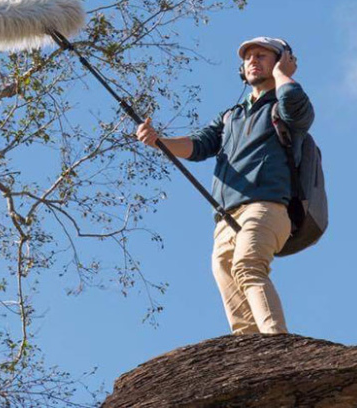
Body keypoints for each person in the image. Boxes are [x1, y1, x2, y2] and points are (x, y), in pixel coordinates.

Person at [135, 37, 314, 335]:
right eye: (248, 58)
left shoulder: (285, 104)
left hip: (267, 206)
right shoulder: (232, 115)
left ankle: (278, 344)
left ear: (282, 61)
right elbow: (198, 145)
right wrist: (159, 142)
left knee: (248, 265)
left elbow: (298, 111)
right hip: (225, 217)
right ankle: (249, 353)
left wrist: (284, 75)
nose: (253, 61)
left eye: (262, 55)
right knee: (228, 275)